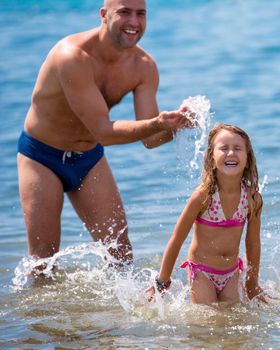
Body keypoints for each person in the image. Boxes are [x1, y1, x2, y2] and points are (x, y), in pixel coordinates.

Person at [17, 0, 192, 269]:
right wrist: (158, 123)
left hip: (88, 157)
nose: (134, 22)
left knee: (121, 257)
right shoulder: (72, 55)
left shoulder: (144, 66)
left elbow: (150, 139)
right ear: (103, 15)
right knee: (42, 264)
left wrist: (176, 126)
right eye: (124, 12)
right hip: (41, 157)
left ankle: (116, 312)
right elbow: (104, 132)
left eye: (141, 14)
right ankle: (40, 312)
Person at [147, 123, 265, 304]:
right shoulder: (203, 196)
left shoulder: (252, 198)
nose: (231, 153)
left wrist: (252, 283)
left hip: (232, 273)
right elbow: (177, 239)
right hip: (202, 272)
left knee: (233, 324)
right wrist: (162, 281)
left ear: (248, 157)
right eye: (224, 148)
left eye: (238, 148)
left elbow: (253, 243)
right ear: (211, 157)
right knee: (207, 323)